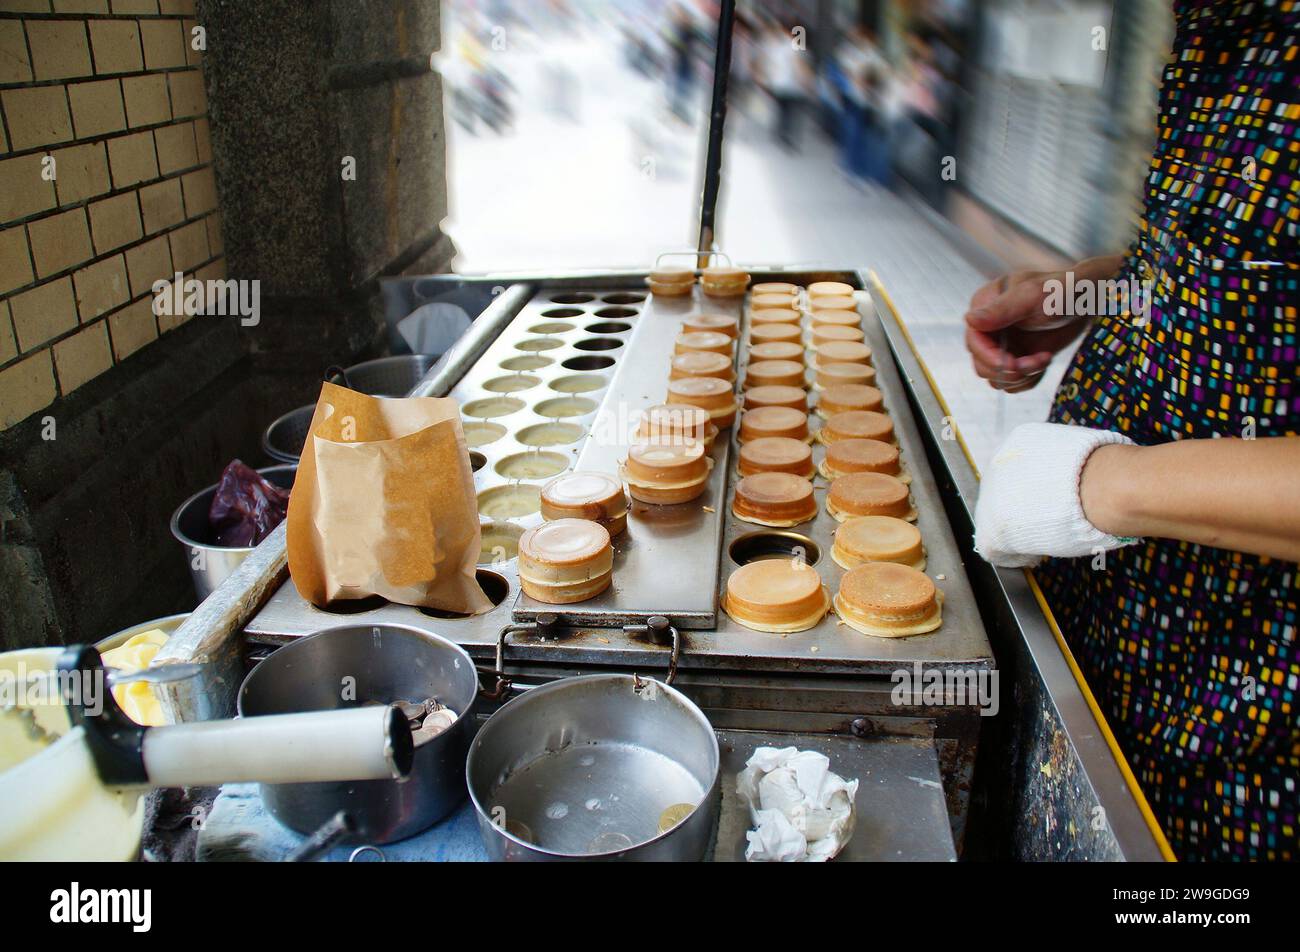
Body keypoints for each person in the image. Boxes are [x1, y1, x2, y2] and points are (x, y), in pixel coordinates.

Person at [968, 0, 1298, 861]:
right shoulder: (1225, 23)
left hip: (1241, 715)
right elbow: (1227, 261)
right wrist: (1090, 291)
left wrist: (1098, 485)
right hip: (1105, 627)